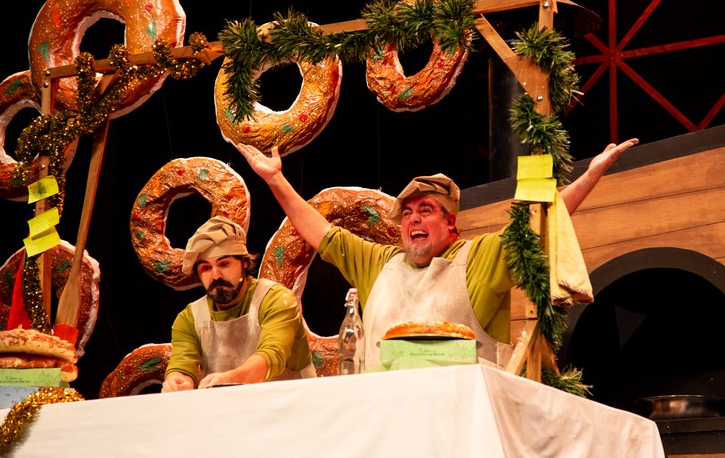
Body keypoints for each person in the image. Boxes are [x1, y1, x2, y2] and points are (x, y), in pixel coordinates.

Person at [237, 139, 639, 369]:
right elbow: (318, 231)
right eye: (407, 213)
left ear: (450, 223)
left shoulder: (479, 257)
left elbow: (540, 222)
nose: (413, 218)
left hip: (460, 422)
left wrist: (591, 175)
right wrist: (276, 179)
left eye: (425, 210)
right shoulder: (378, 262)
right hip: (384, 418)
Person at [161, 216, 316, 391]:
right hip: (228, 406)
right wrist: (179, 381)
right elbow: (182, 365)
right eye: (206, 268)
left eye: (224, 264)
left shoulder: (276, 299)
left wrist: (228, 380)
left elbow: (272, 355)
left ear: (244, 263)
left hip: (293, 401)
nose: (216, 275)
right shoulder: (189, 318)